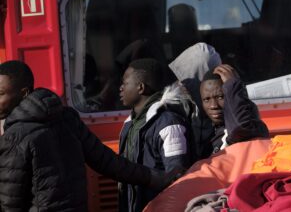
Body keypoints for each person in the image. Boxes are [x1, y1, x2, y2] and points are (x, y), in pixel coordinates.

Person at [0, 60, 178, 211]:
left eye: (1, 94)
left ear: (24, 93)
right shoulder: (66, 117)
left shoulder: (14, 136)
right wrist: (156, 178)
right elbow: (107, 161)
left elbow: (9, 203)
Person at [118, 58, 192, 212]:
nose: (120, 88)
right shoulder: (130, 124)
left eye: (125, 83)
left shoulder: (169, 123)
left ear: (140, 87)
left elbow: (177, 177)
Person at [200, 64, 269, 154]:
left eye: (220, 97)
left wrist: (232, 85)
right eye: (206, 99)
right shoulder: (208, 132)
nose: (213, 105)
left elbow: (239, 127)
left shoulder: (251, 126)